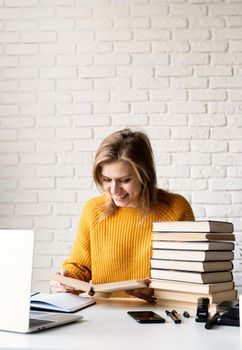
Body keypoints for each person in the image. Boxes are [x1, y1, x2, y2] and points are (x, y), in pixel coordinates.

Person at [50, 128, 195, 301]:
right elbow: (81, 267)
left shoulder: (176, 209)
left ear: (144, 175)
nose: (114, 190)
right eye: (106, 179)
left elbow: (190, 275)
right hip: (102, 316)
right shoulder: (93, 210)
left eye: (125, 180)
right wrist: (66, 280)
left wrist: (159, 291)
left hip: (161, 316)